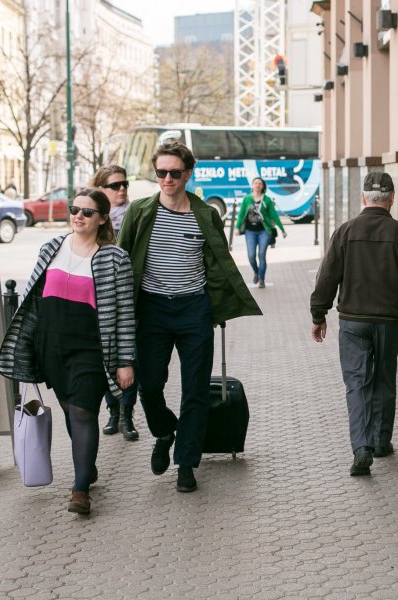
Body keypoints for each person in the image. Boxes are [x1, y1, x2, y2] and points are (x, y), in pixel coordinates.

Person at [117, 141, 261, 493]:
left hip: (194, 309)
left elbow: (218, 263)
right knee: (149, 385)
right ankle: (165, 431)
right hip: (151, 309)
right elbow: (121, 261)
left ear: (188, 173)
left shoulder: (205, 214)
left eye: (175, 173)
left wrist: (218, 305)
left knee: (195, 390)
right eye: (161, 172)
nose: (167, 179)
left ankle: (186, 462)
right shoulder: (139, 211)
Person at [0, 189, 135, 515]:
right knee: (70, 410)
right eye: (75, 209)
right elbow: (33, 299)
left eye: (87, 212)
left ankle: (80, 489)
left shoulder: (115, 258)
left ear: (102, 218)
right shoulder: (51, 248)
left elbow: (126, 314)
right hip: (51, 346)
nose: (78, 216)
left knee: (84, 411)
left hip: (91, 348)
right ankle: (85, 465)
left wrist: (126, 361)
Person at [309, 172, 398, 476]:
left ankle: (361, 447)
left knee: (357, 383)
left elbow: (327, 276)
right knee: (384, 379)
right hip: (389, 322)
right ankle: (381, 441)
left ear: (363, 198)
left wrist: (318, 314)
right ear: (391, 199)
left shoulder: (345, 232)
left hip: (353, 321)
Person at [91, 165, 139, 440]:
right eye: (115, 185)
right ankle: (112, 411)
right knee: (106, 358)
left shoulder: (136, 214)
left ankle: (127, 414)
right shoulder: (91, 216)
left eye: (125, 183)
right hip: (101, 299)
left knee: (129, 358)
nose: (122, 189)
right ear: (101, 190)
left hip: (132, 297)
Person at [233, 177, 287, 288]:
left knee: (261, 254)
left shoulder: (267, 200)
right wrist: (237, 227)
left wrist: (282, 230)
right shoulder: (246, 199)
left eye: (260, 183)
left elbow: (273, 215)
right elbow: (241, 215)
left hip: (264, 231)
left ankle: (261, 279)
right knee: (251, 256)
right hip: (250, 231)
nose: (257, 185)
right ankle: (256, 271)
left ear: (263, 186)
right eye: (255, 183)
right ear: (252, 186)